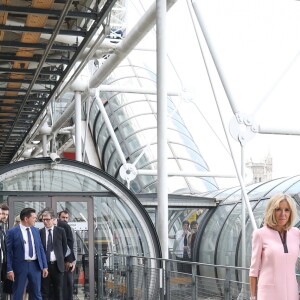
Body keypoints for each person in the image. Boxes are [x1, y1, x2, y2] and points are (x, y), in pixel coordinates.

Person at [249, 193, 300, 300]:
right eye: (278, 209)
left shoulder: (296, 233)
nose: (283, 214)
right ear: (272, 211)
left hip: (292, 293)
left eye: (287, 210)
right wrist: (253, 297)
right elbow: (253, 270)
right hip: (268, 293)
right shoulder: (260, 234)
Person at [6, 207, 48, 300]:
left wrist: (45, 266)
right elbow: (8, 253)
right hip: (20, 266)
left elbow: (40, 249)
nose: (36, 219)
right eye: (34, 218)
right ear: (26, 219)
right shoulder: (12, 232)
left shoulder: (36, 230)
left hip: (35, 266)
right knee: (18, 293)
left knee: (37, 294)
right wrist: (9, 270)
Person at [40, 210, 67, 300]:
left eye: (47, 219)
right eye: (43, 220)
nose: (45, 221)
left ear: (53, 219)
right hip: (45, 266)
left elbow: (64, 247)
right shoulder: (40, 232)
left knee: (58, 291)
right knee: (45, 291)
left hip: (57, 265)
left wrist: (60, 258)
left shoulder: (60, 231)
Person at [58, 210, 77, 300]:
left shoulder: (71, 229)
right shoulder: (56, 229)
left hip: (69, 262)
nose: (65, 219)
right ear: (59, 218)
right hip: (59, 262)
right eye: (63, 217)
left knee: (69, 283)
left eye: (66, 218)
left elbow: (74, 247)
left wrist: (73, 262)